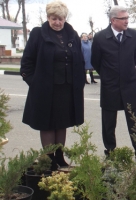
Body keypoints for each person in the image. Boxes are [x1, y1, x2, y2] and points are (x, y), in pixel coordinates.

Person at [20, 0, 85, 170]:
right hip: (44, 89)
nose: (57, 22)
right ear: (48, 18)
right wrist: (34, 83)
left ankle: (60, 157)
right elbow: (27, 62)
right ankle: (49, 160)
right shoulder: (37, 34)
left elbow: (79, 60)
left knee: (61, 123)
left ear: (65, 19)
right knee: (47, 123)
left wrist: (79, 82)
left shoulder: (72, 34)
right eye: (53, 18)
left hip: (66, 88)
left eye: (60, 19)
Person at [91, 6, 136, 158]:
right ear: (113, 20)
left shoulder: (133, 35)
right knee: (108, 123)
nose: (127, 21)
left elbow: (134, 58)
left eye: (127, 18)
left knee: (134, 121)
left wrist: (125, 73)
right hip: (110, 86)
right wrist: (108, 75)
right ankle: (110, 151)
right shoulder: (100, 37)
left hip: (129, 85)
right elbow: (96, 61)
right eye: (123, 18)